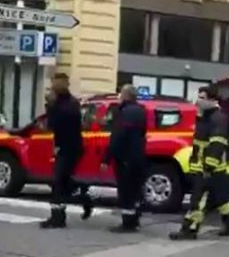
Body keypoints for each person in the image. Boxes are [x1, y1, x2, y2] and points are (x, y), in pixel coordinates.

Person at [169, 85, 229, 239]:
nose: (198, 100)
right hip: (207, 167)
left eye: (202, 97)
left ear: (211, 100)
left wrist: (208, 166)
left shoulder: (217, 118)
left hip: (209, 168)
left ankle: (189, 229)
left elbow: (217, 144)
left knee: (198, 200)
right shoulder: (206, 117)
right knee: (221, 198)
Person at [40, 73, 91, 229]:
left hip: (71, 147)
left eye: (55, 83)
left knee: (57, 181)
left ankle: (58, 218)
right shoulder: (63, 102)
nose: (52, 87)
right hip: (65, 146)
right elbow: (52, 125)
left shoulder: (69, 104)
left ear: (63, 85)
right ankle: (82, 196)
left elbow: (57, 123)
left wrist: (51, 106)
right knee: (61, 181)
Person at [101, 84, 148, 232]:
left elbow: (118, 137)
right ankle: (134, 221)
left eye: (120, 94)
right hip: (137, 155)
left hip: (125, 157)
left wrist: (106, 158)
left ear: (126, 95)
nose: (118, 96)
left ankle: (128, 223)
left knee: (126, 191)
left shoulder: (125, 113)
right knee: (134, 190)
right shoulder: (140, 111)